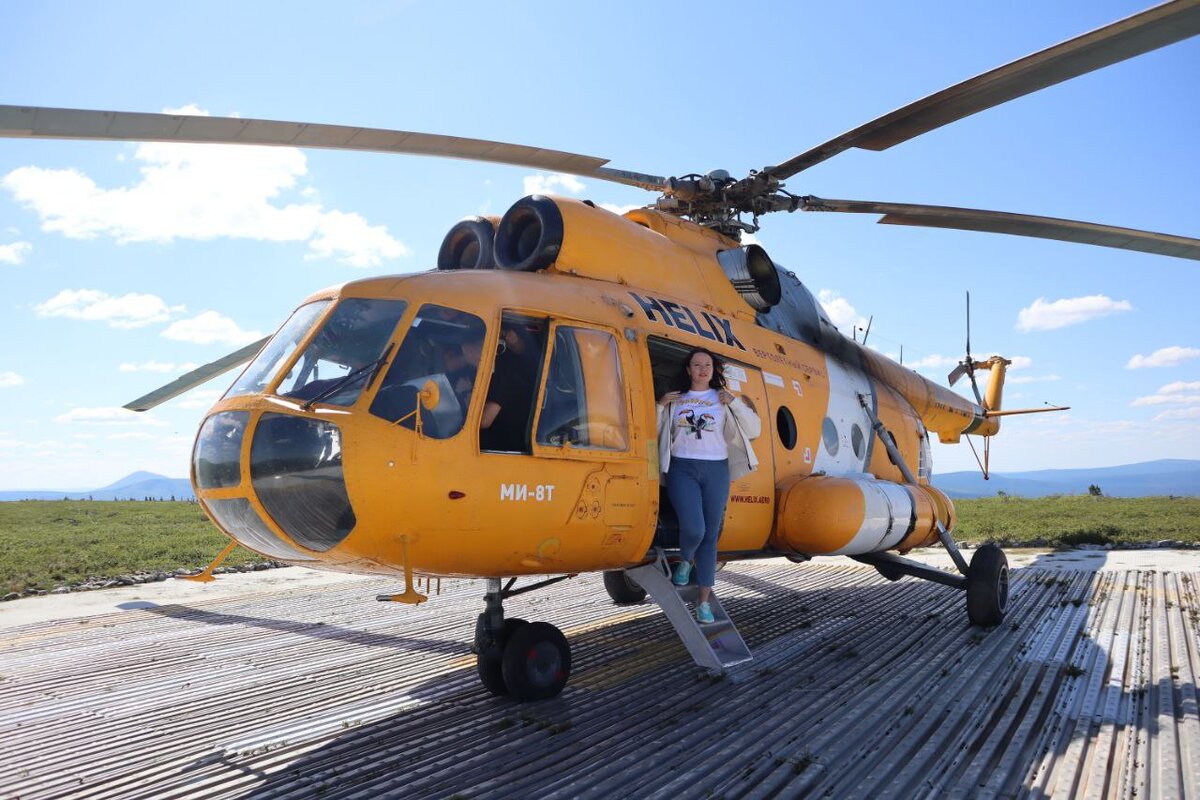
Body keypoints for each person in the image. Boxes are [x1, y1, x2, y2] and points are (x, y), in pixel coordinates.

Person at [656, 347, 761, 623]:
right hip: (682, 468)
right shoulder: (676, 400)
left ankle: (703, 602)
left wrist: (735, 402)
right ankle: (686, 558)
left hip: (716, 469)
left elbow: (754, 430)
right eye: (697, 364)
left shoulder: (722, 400)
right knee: (694, 528)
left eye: (708, 365)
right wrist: (659, 405)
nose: (703, 369)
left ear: (713, 371)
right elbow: (654, 431)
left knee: (711, 535)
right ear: (688, 369)